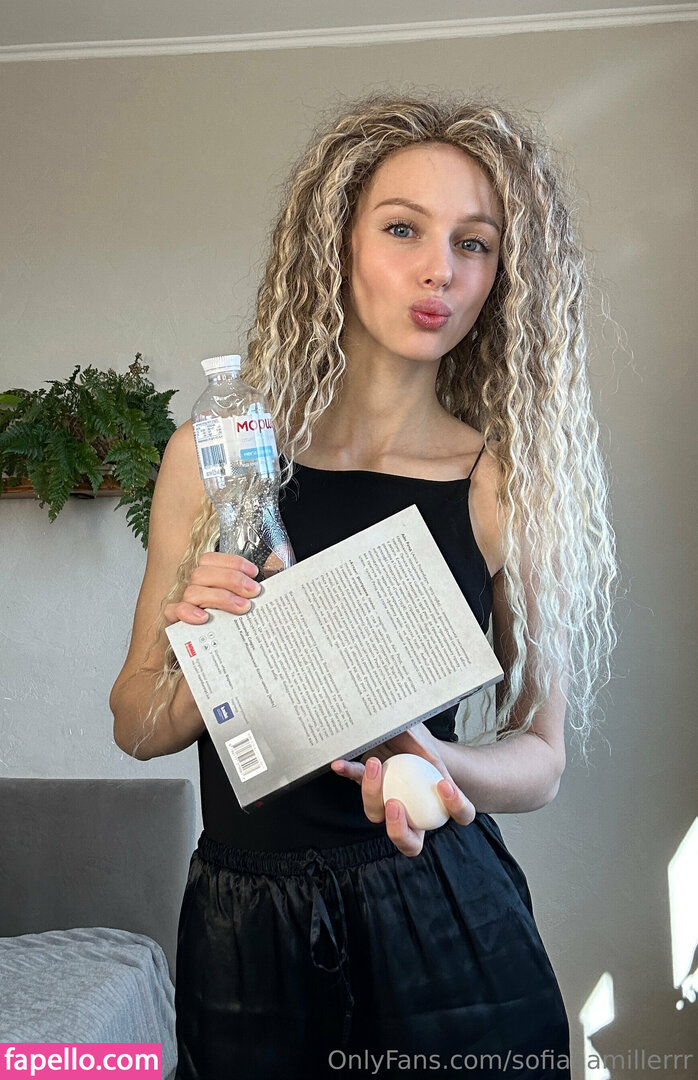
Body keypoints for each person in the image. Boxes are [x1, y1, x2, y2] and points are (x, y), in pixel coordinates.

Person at [110, 93, 618, 1079]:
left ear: (501, 274)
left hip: (440, 924)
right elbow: (136, 724)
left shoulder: (503, 483)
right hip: (243, 931)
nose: (440, 271)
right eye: (402, 229)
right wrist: (202, 646)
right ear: (333, 245)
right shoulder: (214, 461)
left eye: (473, 243)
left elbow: (542, 762)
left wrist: (438, 758)